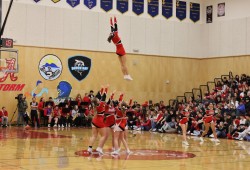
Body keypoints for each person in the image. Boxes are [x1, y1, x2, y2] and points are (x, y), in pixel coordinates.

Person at [107, 16, 133, 81]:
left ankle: (124, 76)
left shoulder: (112, 38)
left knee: (122, 65)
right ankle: (128, 75)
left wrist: (111, 20)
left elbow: (112, 26)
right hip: (121, 49)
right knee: (124, 64)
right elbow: (115, 25)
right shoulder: (116, 34)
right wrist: (114, 19)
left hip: (117, 50)